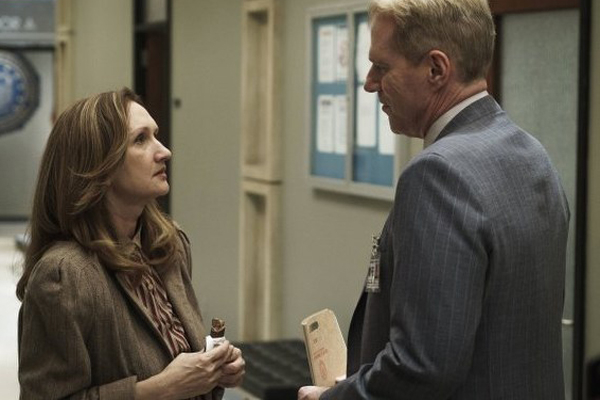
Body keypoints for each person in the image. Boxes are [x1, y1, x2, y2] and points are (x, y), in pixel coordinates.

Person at [299, 0, 570, 399]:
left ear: (436, 69)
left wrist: (334, 398)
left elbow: (422, 366)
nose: (369, 83)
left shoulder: (438, 174)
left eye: (382, 67)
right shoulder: (533, 155)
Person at [17, 88, 245, 400]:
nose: (164, 151)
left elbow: (175, 360)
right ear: (99, 164)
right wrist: (160, 389)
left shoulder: (168, 245)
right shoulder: (64, 275)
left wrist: (212, 371)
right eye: (140, 139)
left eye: (156, 135)